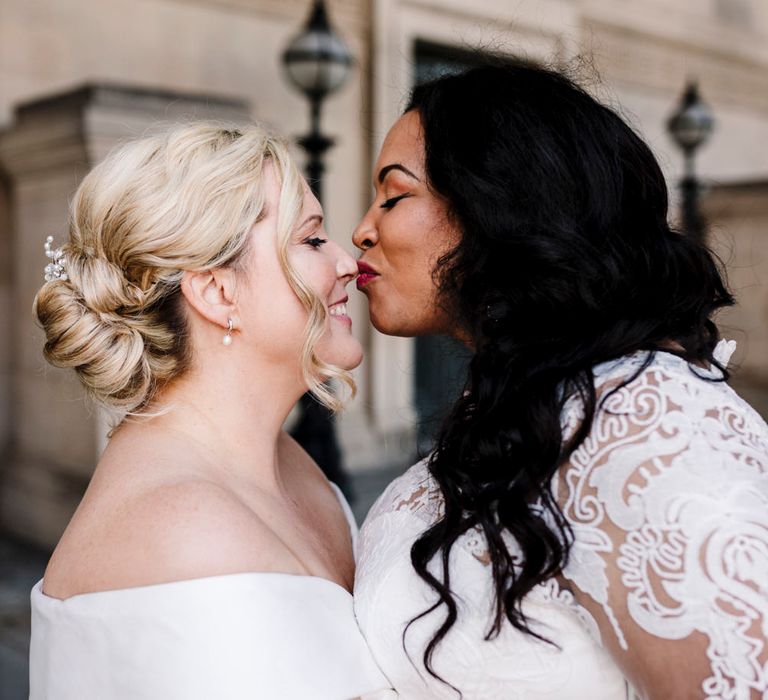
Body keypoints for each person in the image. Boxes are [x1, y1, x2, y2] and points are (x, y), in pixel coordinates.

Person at [352, 63, 768, 699]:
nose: (362, 230)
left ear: (498, 203)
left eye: (394, 195)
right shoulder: (521, 412)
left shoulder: (644, 427)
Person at [31, 123, 391, 699]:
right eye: (313, 240)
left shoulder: (283, 457)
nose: (349, 263)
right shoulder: (191, 535)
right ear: (218, 293)